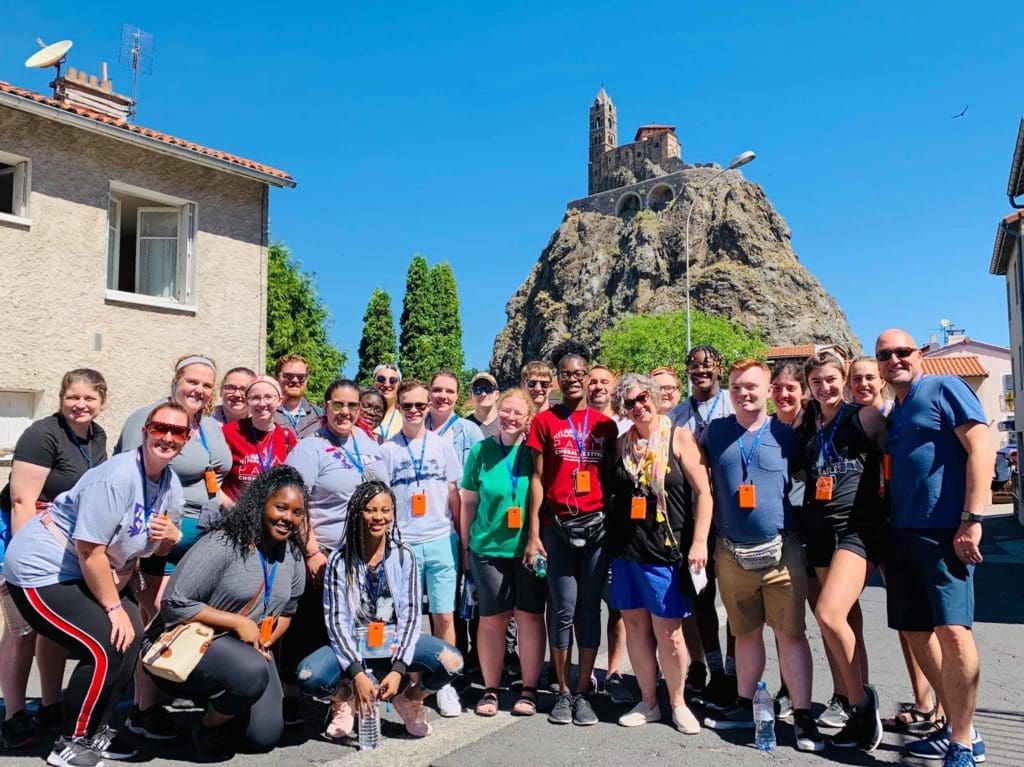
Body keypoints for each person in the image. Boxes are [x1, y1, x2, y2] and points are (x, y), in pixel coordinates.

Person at [4, 402, 187, 767]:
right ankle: (72, 741)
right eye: (160, 428)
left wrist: (172, 537)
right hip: (43, 570)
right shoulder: (117, 476)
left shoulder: (170, 485)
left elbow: (151, 545)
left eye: (177, 432)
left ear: (186, 440)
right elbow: (90, 551)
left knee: (131, 639)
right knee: (105, 644)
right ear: (145, 431)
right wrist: (113, 607)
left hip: (89, 569)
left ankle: (96, 733)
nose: (167, 437)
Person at [876, 329, 993, 767]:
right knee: (915, 630)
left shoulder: (945, 388)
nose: (894, 360)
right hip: (902, 535)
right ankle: (956, 727)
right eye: (885, 355)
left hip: (947, 532)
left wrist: (972, 519)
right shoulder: (898, 410)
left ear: (919, 354)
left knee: (953, 632)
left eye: (902, 352)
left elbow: (981, 446)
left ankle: (963, 742)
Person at [700, 359, 824, 752]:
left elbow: (811, 482)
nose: (743, 393)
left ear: (768, 390)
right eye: (736, 387)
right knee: (744, 633)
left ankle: (803, 717)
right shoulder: (714, 432)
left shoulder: (786, 435)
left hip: (780, 550)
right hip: (730, 551)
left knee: (790, 634)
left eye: (751, 386)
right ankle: (744, 704)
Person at [150, 466, 307, 760]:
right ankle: (209, 724)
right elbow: (174, 602)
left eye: (297, 512)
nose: (288, 518)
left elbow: (288, 610)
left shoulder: (293, 555)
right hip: (193, 640)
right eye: (281, 508)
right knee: (249, 673)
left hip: (250, 647)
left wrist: (265, 639)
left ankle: (230, 704)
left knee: (264, 736)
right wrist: (238, 622)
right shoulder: (224, 542)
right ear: (262, 504)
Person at [116, 354, 232, 741]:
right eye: (191, 381)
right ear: (175, 381)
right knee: (156, 617)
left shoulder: (210, 425)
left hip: (204, 532)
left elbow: (214, 476)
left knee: (185, 619)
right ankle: (142, 708)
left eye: (205, 384)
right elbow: (129, 473)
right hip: (164, 533)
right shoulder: (151, 417)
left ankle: (167, 692)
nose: (198, 390)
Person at [296, 482, 464, 739]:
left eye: (385, 510)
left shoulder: (403, 555)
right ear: (356, 513)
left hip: (394, 641)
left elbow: (410, 617)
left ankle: (410, 699)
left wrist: (398, 670)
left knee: (453, 663)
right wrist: (357, 674)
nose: (378, 517)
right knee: (309, 677)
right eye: (370, 510)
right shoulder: (340, 561)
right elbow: (336, 622)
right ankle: (346, 698)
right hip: (354, 643)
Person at [0, 370, 108, 749]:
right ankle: (13, 714)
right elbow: (21, 502)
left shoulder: (97, 437)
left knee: (54, 628)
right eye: (72, 397)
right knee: (22, 630)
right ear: (62, 398)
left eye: (89, 399)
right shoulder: (42, 435)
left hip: (61, 543)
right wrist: (21, 559)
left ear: (101, 402)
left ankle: (49, 705)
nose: (80, 405)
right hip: (20, 539)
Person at [607, 373, 711, 734]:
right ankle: (648, 701)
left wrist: (699, 542)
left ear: (653, 397)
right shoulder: (621, 445)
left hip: (665, 551)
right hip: (626, 550)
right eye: (630, 403)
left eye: (642, 398)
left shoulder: (679, 438)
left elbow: (705, 494)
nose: (638, 406)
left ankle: (679, 702)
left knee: (670, 632)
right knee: (635, 627)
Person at [282, 378, 386, 729]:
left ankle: (354, 697)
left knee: (356, 630)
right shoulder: (309, 448)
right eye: (338, 405)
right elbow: (294, 505)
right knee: (314, 629)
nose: (345, 412)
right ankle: (308, 699)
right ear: (324, 406)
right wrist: (312, 551)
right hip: (324, 552)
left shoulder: (369, 443)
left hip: (364, 556)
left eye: (352, 406)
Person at [798, 352, 887, 751]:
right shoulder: (811, 426)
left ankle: (862, 704)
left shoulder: (864, 417)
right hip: (819, 531)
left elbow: (899, 459)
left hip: (857, 530)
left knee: (829, 613)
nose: (825, 387)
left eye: (831, 379)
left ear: (845, 378)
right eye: (816, 381)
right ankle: (855, 710)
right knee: (845, 620)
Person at [524, 354, 618, 727]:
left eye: (581, 374)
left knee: (589, 610)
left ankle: (583, 691)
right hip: (557, 527)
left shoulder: (606, 426)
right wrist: (533, 533)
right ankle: (562, 691)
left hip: (596, 528)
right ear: (558, 379)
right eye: (567, 374)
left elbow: (611, 481)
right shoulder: (545, 421)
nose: (575, 380)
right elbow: (536, 479)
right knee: (562, 609)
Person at [849, 356, 941, 734]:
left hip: (900, 524)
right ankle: (920, 703)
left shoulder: (894, 415)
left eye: (869, 377)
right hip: (869, 526)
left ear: (881, 380)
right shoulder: (851, 420)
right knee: (903, 619)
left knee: (915, 622)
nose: (864, 384)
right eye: (857, 379)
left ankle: (937, 704)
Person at [770, 362, 848, 730]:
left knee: (830, 615)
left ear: (802, 391)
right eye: (777, 388)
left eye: (790, 388)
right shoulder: (768, 428)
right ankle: (788, 689)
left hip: (820, 531)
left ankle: (845, 694)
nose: (784, 394)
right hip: (782, 534)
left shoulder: (816, 424)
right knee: (786, 619)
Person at [379, 381, 464, 717]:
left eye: (419, 405)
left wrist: (463, 540)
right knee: (409, 621)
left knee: (444, 615)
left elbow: (454, 494)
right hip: (405, 545)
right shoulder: (387, 450)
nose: (414, 411)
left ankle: (446, 684)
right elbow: (382, 502)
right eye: (407, 406)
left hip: (441, 539)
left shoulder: (442, 446)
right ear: (398, 408)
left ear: (429, 406)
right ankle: (416, 687)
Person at [460, 389, 545, 717]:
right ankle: (491, 690)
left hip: (528, 549)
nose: (510, 418)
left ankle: (529, 689)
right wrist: (467, 545)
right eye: (505, 411)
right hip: (487, 549)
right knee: (492, 620)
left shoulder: (534, 451)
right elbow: (468, 502)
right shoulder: (481, 451)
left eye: (517, 414)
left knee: (528, 618)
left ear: (527, 419)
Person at [670, 345, 736, 705]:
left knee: (737, 598)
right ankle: (711, 667)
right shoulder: (679, 416)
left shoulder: (733, 406)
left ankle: (733, 671)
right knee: (701, 596)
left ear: (719, 367)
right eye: (694, 366)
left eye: (707, 365)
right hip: (694, 520)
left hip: (733, 517)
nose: (701, 371)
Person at [584, 364, 629, 703]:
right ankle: (581, 673)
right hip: (581, 525)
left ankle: (614, 672)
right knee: (582, 606)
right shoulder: (576, 423)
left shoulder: (627, 425)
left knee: (618, 606)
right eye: (593, 381)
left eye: (604, 381)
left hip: (618, 527)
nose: (598, 386)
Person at [221, 376, 297, 506]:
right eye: (255, 398)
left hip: (270, 516)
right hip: (232, 514)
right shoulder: (229, 432)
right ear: (247, 401)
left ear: (279, 401)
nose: (262, 403)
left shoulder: (287, 437)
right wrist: (231, 509)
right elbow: (211, 475)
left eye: (268, 397)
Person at [427, 370, 485, 466]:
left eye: (450, 391)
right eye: (437, 390)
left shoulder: (471, 431)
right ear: (429, 393)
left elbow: (482, 471)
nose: (443, 396)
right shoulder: (415, 427)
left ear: (457, 396)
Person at [273, 355, 324, 439]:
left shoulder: (319, 416)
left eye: (301, 377)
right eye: (288, 376)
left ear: (307, 380)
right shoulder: (266, 413)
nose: (295, 380)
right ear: (276, 378)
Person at [372, 364, 404, 442]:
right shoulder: (363, 414)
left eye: (393, 380)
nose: (387, 384)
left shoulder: (406, 416)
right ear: (373, 383)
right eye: (381, 379)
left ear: (399, 386)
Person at [467, 373, 501, 439]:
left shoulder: (507, 424)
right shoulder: (464, 427)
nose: (483, 394)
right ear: (471, 395)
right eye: (477, 390)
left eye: (489, 389)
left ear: (497, 395)